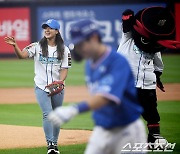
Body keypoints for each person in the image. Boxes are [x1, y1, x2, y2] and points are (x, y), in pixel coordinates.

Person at [48, 19, 147, 154]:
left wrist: (74, 109)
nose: (79, 50)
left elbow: (106, 97)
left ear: (94, 38)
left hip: (127, 130)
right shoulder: (90, 64)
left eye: (81, 44)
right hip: (102, 128)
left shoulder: (117, 62)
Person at [4, 19, 71, 154]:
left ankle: (55, 144)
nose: (47, 30)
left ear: (57, 31)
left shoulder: (64, 49)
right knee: (47, 114)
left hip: (57, 87)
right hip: (41, 86)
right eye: (45, 27)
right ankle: (50, 145)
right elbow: (22, 56)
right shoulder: (37, 46)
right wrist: (15, 46)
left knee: (56, 116)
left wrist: (60, 82)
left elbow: (64, 69)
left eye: (50, 28)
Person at [117, 7, 180, 144]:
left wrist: (157, 75)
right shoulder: (128, 39)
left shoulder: (154, 46)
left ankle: (154, 136)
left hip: (147, 83)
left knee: (151, 109)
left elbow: (158, 64)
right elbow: (126, 28)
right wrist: (127, 19)